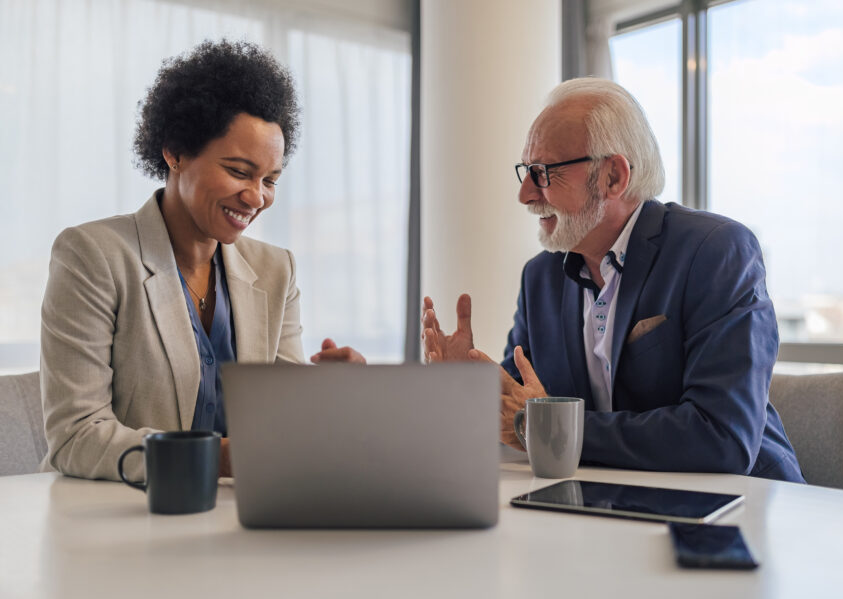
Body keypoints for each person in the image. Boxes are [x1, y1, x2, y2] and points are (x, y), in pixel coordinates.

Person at [422, 78, 803, 481]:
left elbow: (722, 437)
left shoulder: (716, 252)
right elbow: (518, 408)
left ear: (613, 177)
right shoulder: (541, 279)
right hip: (612, 505)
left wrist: (556, 429)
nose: (526, 194)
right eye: (526, 172)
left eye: (543, 173)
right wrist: (463, 385)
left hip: (745, 508)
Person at [40, 40, 361, 482]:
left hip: (236, 516)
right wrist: (225, 458)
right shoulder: (93, 255)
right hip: (118, 515)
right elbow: (76, 435)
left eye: (270, 179)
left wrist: (335, 397)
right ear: (175, 153)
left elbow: (282, 417)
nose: (256, 197)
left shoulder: (275, 270)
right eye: (238, 171)